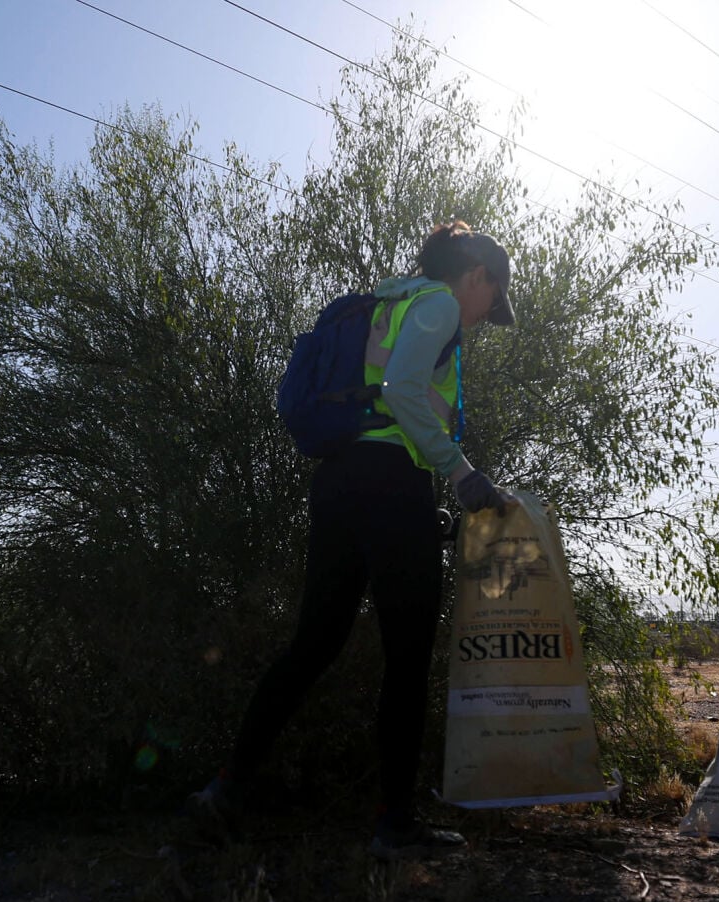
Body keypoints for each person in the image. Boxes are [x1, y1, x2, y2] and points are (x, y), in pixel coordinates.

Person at [193, 222, 518, 859]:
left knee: (313, 645)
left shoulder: (390, 300)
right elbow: (401, 390)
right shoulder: (440, 303)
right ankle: (394, 827)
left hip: (341, 482)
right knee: (407, 659)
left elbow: (381, 393)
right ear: (476, 275)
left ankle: (225, 790)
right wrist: (461, 474)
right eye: (492, 299)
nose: (485, 316)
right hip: (391, 485)